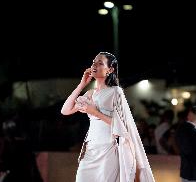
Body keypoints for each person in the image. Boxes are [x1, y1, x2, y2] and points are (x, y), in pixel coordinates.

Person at [61, 51, 155, 182]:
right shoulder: (90, 93)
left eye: (100, 63)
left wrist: (95, 112)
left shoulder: (115, 91)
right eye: (94, 62)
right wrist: (82, 84)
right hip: (89, 151)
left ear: (110, 70)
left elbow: (122, 126)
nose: (94, 65)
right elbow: (65, 110)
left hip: (107, 151)